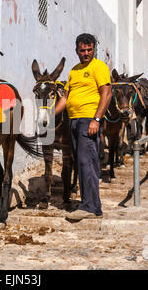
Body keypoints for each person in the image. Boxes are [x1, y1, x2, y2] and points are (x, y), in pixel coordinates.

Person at [55, 33, 112, 221]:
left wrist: (97, 119)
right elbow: (66, 97)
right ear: (76, 50)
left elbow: (107, 93)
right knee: (82, 162)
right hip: (74, 120)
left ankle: (89, 207)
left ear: (93, 49)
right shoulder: (74, 71)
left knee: (86, 162)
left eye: (89, 50)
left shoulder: (99, 67)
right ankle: (93, 206)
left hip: (89, 120)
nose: (86, 53)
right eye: (82, 50)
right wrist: (50, 115)